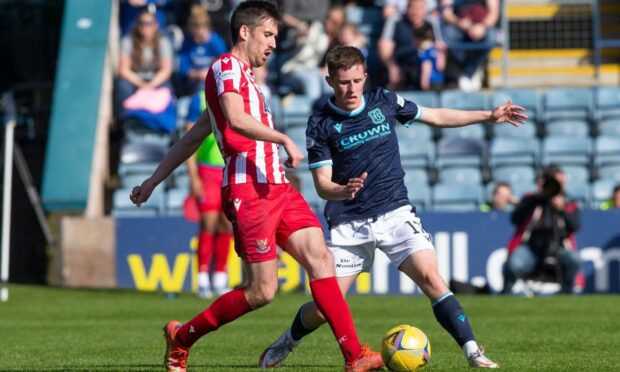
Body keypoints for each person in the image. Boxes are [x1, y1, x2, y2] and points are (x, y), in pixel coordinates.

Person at [129, 3, 383, 372]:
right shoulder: (225, 68)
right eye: (268, 35)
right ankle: (183, 337)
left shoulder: (246, 79)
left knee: (321, 258)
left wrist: (153, 181)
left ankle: (355, 355)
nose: (274, 44)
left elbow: (194, 137)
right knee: (262, 291)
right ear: (245, 32)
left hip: (277, 186)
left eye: (276, 37)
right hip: (249, 189)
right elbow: (233, 119)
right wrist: (283, 138)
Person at [258, 45, 526, 369]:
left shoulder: (384, 101)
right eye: (343, 82)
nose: (351, 89)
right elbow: (322, 185)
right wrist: (342, 191)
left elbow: (436, 116)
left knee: (431, 277)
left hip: (395, 212)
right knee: (324, 306)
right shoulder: (321, 124)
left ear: (365, 77)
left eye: (357, 80)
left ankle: (473, 352)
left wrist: (488, 115)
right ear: (330, 81)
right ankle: (289, 338)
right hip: (349, 223)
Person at [502, 164, 582, 295]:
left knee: (574, 259)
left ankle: (566, 293)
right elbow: (515, 219)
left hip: (558, 250)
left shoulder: (569, 202)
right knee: (514, 263)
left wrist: (562, 210)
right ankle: (506, 293)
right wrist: (537, 198)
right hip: (531, 249)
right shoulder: (531, 199)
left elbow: (575, 226)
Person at [184, 89, 233, 298]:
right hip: (207, 172)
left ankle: (220, 278)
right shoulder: (200, 100)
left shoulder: (238, 95)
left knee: (226, 224)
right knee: (208, 222)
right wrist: (193, 176)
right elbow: (190, 141)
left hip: (229, 169)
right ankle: (202, 278)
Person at [117, 10, 173, 119]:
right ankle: (123, 120)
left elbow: (166, 70)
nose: (145, 27)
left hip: (156, 80)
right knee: (122, 86)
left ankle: (164, 125)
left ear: (155, 25)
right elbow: (124, 70)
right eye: (141, 23)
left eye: (148, 23)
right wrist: (141, 84)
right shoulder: (128, 41)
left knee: (168, 88)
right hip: (135, 80)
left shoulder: (163, 42)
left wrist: (151, 85)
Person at [440, 0, 500, 91]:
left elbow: (494, 13)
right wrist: (459, 22)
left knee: (492, 37)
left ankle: (469, 72)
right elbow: (446, 13)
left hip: (482, 25)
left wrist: (482, 26)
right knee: (448, 35)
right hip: (458, 25)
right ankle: (467, 72)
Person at [178, 4, 228, 95]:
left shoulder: (216, 41)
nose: (198, 40)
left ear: (208, 29)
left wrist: (209, 74)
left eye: (200, 37)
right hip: (193, 86)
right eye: (196, 36)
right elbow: (183, 69)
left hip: (215, 84)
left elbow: (225, 63)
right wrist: (198, 74)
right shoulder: (187, 43)